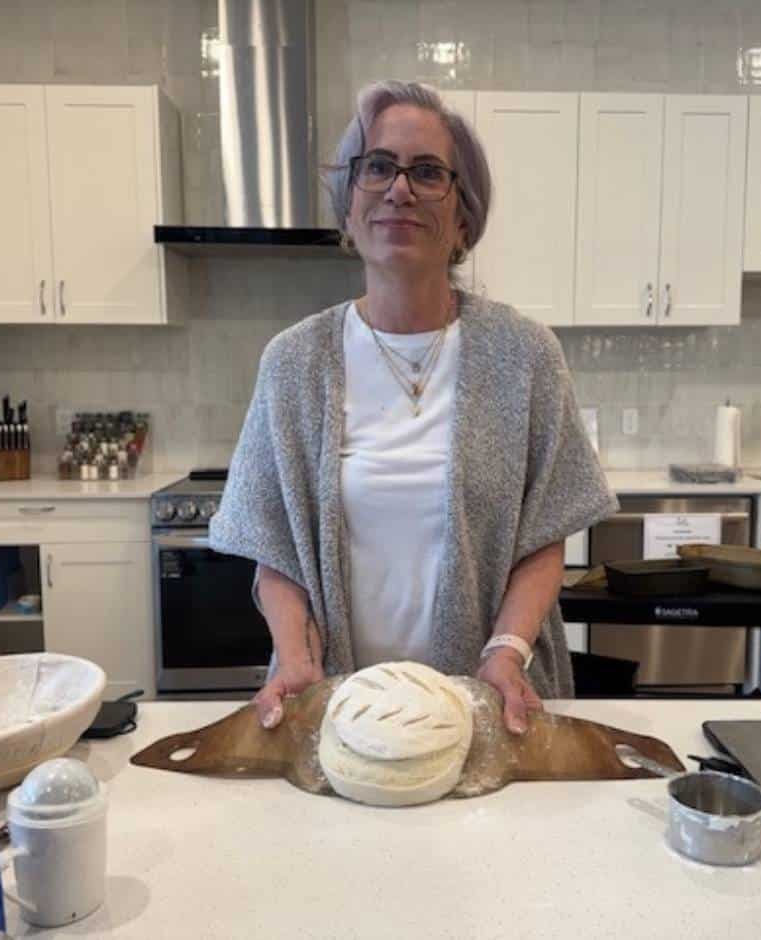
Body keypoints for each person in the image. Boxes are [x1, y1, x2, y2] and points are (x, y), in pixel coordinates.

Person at [209, 80, 618, 736]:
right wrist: (295, 658)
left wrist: (506, 653)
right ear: (348, 207)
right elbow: (272, 546)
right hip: (335, 710)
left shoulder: (523, 354)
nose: (399, 189)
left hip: (491, 705)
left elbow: (546, 533)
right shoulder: (294, 361)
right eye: (377, 167)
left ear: (462, 220)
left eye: (427, 172)